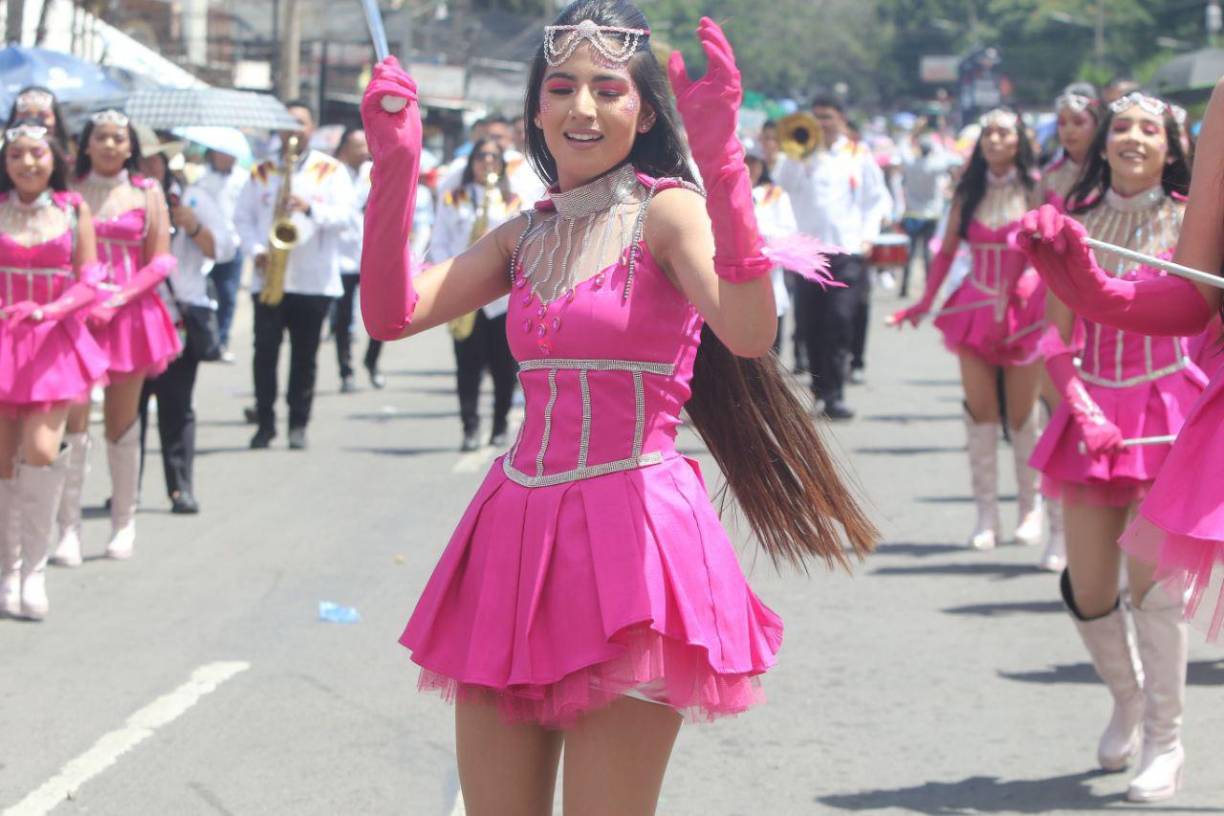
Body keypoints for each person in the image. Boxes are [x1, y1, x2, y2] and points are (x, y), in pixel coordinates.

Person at [358, 5, 878, 813]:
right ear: (536, 108)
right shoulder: (525, 235)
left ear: (642, 110)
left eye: (609, 88)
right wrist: (394, 167)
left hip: (632, 537)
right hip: (512, 536)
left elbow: (746, 332)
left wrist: (724, 161)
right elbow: (393, 314)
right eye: (561, 87)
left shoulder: (669, 212)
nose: (583, 108)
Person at [1020, 92, 1199, 804]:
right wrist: (1084, 410)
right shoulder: (1080, 224)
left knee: (1153, 592)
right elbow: (1054, 337)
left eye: (1149, 129)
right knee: (1091, 591)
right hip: (1092, 414)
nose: (1133, 138)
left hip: (1170, 410)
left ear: (1170, 145)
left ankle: (1166, 739)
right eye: (1121, 126)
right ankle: (1125, 699)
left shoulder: (1195, 225)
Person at [889, 108, 1045, 552]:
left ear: (1019, 140)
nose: (995, 140)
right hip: (974, 305)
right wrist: (921, 304)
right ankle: (986, 515)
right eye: (989, 133)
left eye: (1004, 132)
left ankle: (1029, 509)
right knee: (980, 414)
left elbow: (1054, 250)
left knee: (1022, 416)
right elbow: (944, 254)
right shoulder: (968, 190)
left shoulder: (1036, 189)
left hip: (1023, 311)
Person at [54, 110, 179, 565]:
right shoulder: (65, 193)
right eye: (101, 137)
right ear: (86, 143)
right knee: (73, 424)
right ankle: (67, 529)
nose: (109, 145)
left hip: (129, 316)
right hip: (73, 318)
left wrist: (116, 299)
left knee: (122, 425)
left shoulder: (147, 193)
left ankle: (123, 522)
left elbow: (162, 260)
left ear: (131, 147)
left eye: (118, 138)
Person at [0, 123, 107, 618]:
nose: (26, 164)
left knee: (41, 451)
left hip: (51, 343)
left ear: (54, 158)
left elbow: (90, 277)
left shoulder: (72, 209)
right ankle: (8, 568)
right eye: (16, 154)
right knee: (2, 463)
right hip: (3, 340)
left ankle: (34, 570)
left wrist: (54, 310)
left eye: (35, 154)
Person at [234, 100, 356, 450]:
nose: (293, 130)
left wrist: (310, 208)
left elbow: (348, 218)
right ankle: (265, 422)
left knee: (305, 356)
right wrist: (256, 250)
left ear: (312, 128)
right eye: (286, 123)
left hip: (312, 280)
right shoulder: (261, 172)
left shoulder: (330, 171)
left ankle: (298, 423)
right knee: (265, 353)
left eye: (300, 123)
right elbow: (242, 218)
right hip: (270, 277)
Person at [775, 96, 890, 419]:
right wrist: (800, 156)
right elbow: (783, 187)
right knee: (810, 324)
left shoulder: (857, 154)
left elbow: (876, 199)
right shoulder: (799, 153)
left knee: (839, 320)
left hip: (847, 251)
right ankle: (819, 391)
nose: (822, 123)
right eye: (817, 118)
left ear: (841, 118)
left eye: (827, 117)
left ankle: (836, 393)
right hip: (808, 253)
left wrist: (868, 235)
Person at [135, 137, 230, 514]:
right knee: (128, 410)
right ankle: (128, 489)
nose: (146, 168)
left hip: (178, 319)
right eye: (138, 161)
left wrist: (193, 228)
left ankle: (180, 488)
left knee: (176, 406)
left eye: (152, 160)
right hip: (132, 321)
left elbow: (224, 249)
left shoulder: (193, 198)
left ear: (164, 161)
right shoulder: (121, 202)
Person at [429, 137, 522, 451]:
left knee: (503, 368)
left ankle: (499, 426)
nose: (487, 161)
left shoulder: (513, 201)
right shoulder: (453, 198)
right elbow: (439, 240)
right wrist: (449, 274)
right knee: (466, 367)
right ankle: (469, 426)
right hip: (464, 294)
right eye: (481, 156)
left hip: (502, 298)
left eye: (494, 156)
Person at [331, 126, 385, 391]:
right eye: (357, 146)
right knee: (342, 319)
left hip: (372, 255)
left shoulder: (373, 172)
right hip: (342, 257)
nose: (364, 151)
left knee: (384, 313)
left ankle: (372, 361)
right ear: (344, 149)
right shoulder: (331, 173)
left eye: (366, 145)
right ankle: (345, 371)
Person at [196, 147, 246, 362]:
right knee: (205, 293)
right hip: (205, 244)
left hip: (233, 245)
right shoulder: (200, 178)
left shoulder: (244, 179)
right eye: (221, 152)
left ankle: (222, 341)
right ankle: (207, 339)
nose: (226, 156)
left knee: (227, 294)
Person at [745, 142, 796, 356]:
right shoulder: (720, 192)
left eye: (753, 162)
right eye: (744, 161)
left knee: (770, 357)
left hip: (770, 286)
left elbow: (788, 234)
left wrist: (756, 231)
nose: (748, 167)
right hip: (736, 291)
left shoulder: (775, 195)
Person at [897, 130, 956, 298]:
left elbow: (902, 149)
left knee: (910, 252)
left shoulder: (910, 164)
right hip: (931, 215)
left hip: (912, 214)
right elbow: (948, 157)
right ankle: (930, 289)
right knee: (926, 253)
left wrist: (911, 134)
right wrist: (940, 143)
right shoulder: (935, 165)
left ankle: (904, 288)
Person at [1040, 84, 1101, 211]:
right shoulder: (1049, 176)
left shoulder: (1113, 173)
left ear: (1097, 125)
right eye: (1062, 123)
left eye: (1078, 122)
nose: (1069, 130)